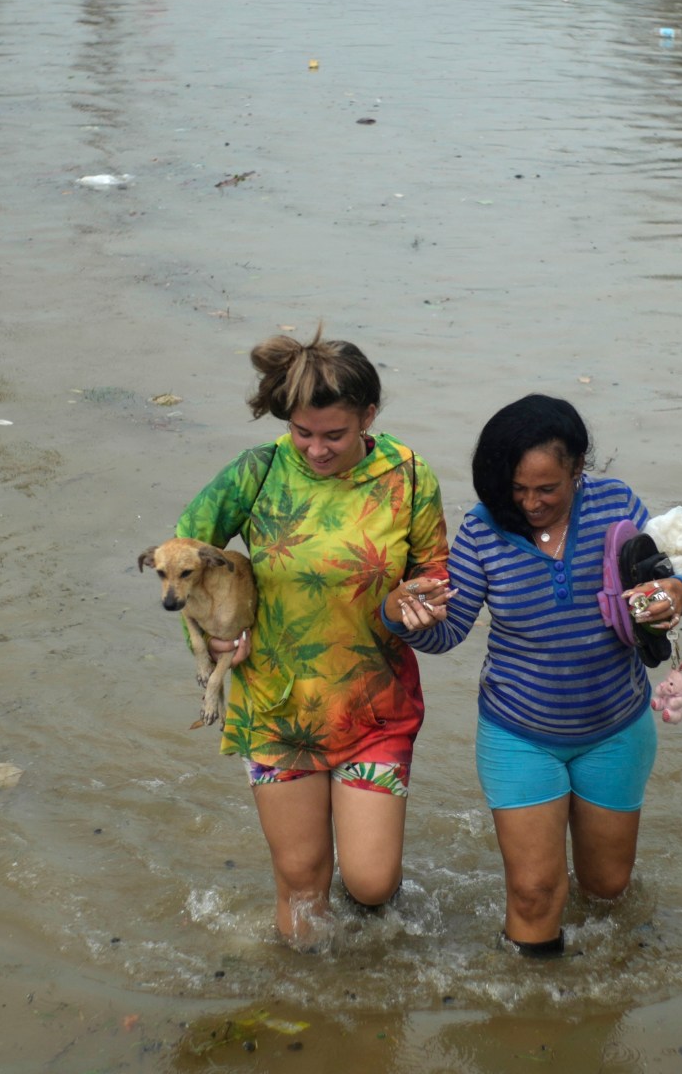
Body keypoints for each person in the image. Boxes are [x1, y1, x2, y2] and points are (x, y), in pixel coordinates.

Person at [388, 395, 682, 957]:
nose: (529, 503)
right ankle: (534, 1018)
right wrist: (401, 614)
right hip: (518, 733)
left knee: (608, 887)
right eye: (517, 489)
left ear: (579, 469)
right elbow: (448, 631)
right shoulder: (482, 530)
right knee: (533, 893)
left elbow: (670, 581)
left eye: (547, 488)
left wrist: (676, 593)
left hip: (615, 727)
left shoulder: (618, 505)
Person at [173, 328, 449, 945]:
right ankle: (305, 1016)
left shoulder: (408, 474)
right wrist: (213, 640)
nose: (316, 450)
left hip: (375, 704)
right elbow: (181, 556)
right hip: (275, 704)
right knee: (301, 883)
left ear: (368, 416)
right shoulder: (259, 471)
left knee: (372, 883)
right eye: (303, 433)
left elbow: (435, 571)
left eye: (334, 435)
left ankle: (372, 952)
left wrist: (417, 603)